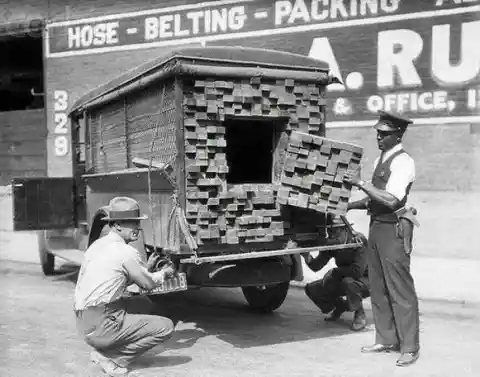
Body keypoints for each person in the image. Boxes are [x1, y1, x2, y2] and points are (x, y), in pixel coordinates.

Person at [343, 111, 420, 367]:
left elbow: (391, 199)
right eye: (378, 132)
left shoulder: (403, 162)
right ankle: (386, 339)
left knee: (400, 288)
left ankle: (409, 346)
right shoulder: (380, 159)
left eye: (384, 133)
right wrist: (349, 206)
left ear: (398, 134)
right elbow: (373, 198)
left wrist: (362, 183)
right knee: (378, 286)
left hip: (393, 229)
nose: (379, 137)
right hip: (376, 226)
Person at [74, 196, 176, 376]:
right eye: (131, 223)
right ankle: (114, 357)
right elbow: (148, 284)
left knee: (144, 304)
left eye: (137, 222)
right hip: (102, 323)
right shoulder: (125, 251)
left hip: (84, 321)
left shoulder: (99, 245)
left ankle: (105, 347)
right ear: (117, 225)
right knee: (166, 327)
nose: (137, 227)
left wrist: (146, 268)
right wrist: (165, 273)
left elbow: (117, 277)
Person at [302, 215, 370, 331]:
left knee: (348, 282)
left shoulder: (358, 240)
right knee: (313, 289)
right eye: (330, 231)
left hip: (367, 280)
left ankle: (360, 314)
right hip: (344, 277)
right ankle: (341, 306)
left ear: (345, 229)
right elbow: (316, 266)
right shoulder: (333, 244)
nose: (332, 234)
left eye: (336, 230)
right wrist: (306, 255)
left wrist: (335, 272)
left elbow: (357, 271)